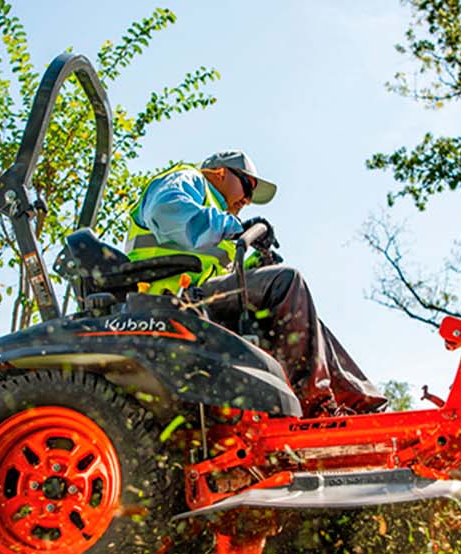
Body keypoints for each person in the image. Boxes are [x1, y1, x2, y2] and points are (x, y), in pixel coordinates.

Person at [126, 149, 384, 415]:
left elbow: (219, 271)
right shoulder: (187, 179)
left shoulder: (217, 220)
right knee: (287, 281)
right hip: (166, 296)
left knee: (304, 318)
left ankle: (363, 407)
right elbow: (169, 214)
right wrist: (237, 227)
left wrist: (259, 265)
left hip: (198, 296)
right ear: (220, 172)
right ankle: (314, 407)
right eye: (247, 187)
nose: (247, 200)